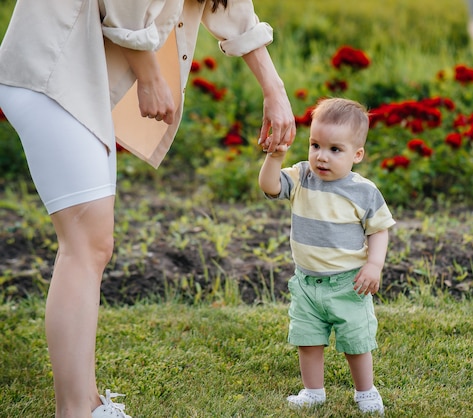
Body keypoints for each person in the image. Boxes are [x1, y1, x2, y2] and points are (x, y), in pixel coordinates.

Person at [0, 0, 295, 417]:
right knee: (86, 247)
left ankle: (88, 403)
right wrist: (151, 77)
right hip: (53, 67)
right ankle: (74, 412)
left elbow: (229, 6)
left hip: (84, 80)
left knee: (92, 247)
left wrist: (275, 89)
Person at [258, 97, 395, 415]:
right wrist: (275, 157)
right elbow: (269, 186)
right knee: (308, 339)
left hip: (349, 284)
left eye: (335, 149)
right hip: (307, 283)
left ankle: (366, 391)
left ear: (357, 155)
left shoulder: (364, 192)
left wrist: (374, 265)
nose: (322, 156)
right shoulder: (302, 177)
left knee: (356, 342)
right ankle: (313, 392)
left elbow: (379, 229)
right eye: (315, 145)